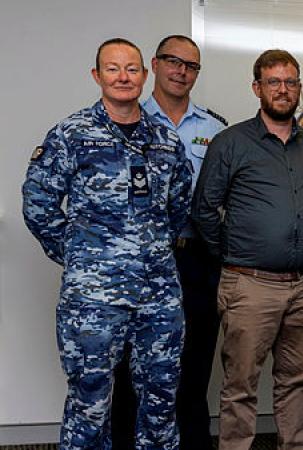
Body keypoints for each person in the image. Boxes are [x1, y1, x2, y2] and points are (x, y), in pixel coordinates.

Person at [22, 38, 192, 449]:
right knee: (90, 404)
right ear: (97, 76)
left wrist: (146, 250)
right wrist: (81, 254)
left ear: (145, 75)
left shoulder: (165, 141)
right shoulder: (71, 134)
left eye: (132, 69)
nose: (123, 77)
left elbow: (179, 205)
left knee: (161, 401)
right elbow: (38, 202)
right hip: (93, 300)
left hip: (158, 296)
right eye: (113, 69)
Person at [192, 49, 303, 450]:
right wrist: (236, 257)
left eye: (290, 82)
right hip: (249, 284)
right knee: (240, 387)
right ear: (257, 88)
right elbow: (203, 211)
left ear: (299, 87)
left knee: (297, 380)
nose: (283, 90)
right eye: (274, 82)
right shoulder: (230, 142)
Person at [110, 34, 227, 450]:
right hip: (139, 261)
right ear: (153, 66)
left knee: (194, 367)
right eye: (173, 61)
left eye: (191, 65)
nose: (181, 71)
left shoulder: (216, 129)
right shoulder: (125, 119)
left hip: (196, 260)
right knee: (130, 370)